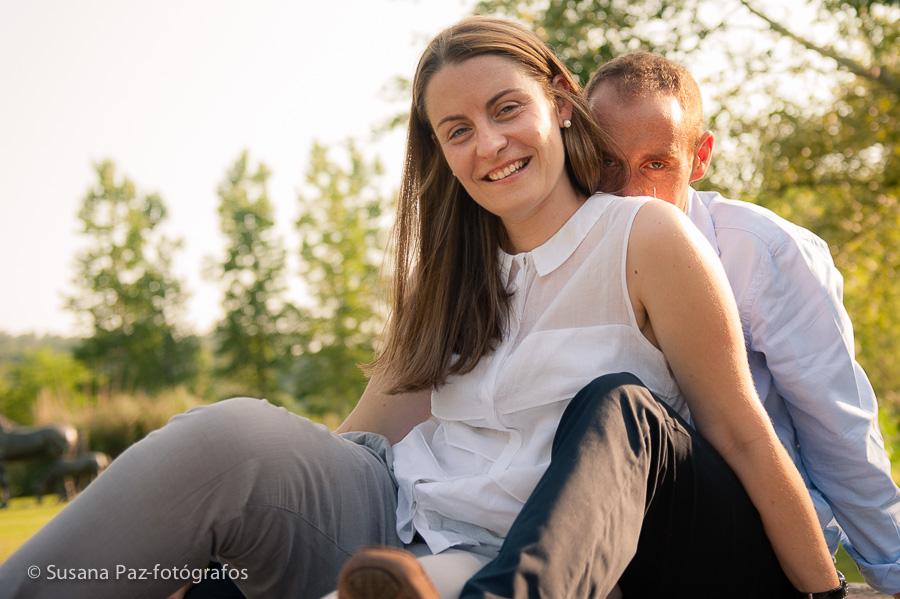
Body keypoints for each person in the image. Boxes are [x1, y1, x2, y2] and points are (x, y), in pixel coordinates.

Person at [0, 17, 842, 599]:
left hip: (543, 561)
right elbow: (357, 441)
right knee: (229, 436)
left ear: (557, 97)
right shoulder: (451, 274)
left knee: (609, 408)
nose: (489, 143)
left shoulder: (646, 238)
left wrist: (827, 588)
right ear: (438, 150)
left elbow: (739, 431)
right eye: (457, 129)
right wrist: (220, 552)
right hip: (410, 528)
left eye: (505, 108)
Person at [579, 52, 898, 597]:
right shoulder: (570, 254)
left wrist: (892, 569)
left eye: (657, 164)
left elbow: (837, 423)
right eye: (608, 163)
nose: (630, 191)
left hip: (759, 540)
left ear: (699, 157)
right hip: (626, 544)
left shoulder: (761, 251)